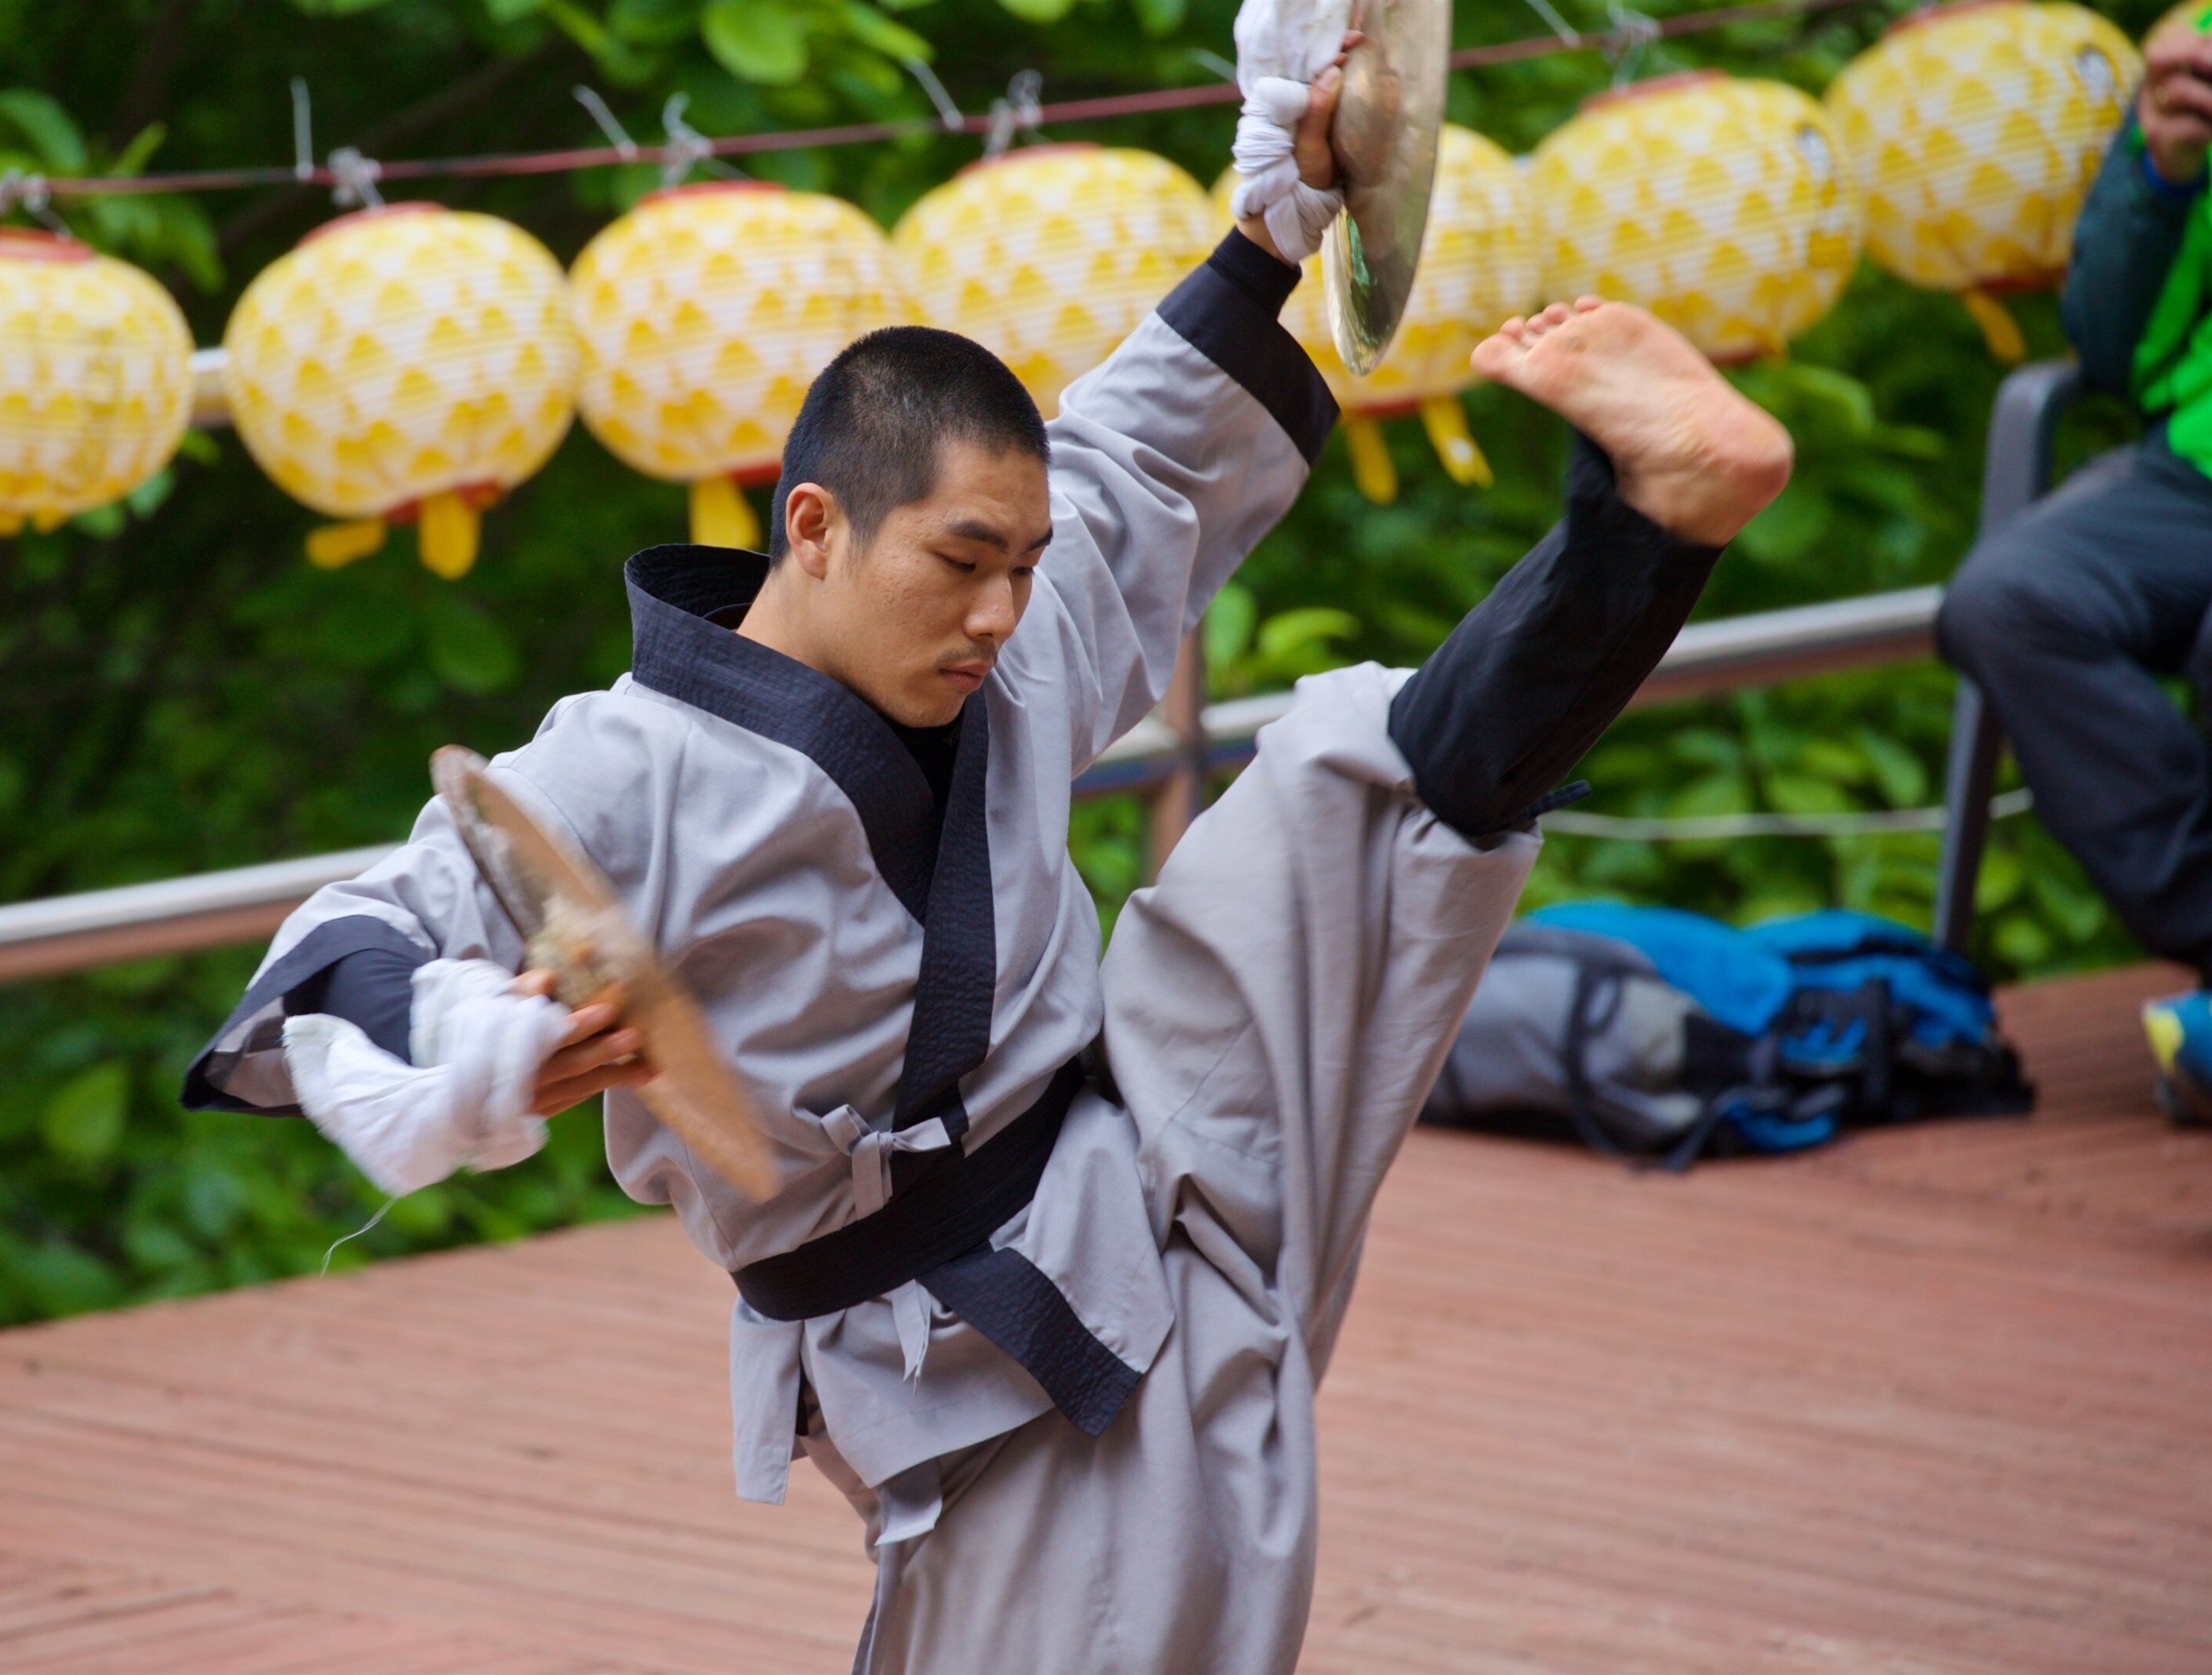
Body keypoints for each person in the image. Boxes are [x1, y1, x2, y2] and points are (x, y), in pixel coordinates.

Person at [179, 46, 1792, 1673]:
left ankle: (1650, 513)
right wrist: (466, 1048)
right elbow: (360, 938)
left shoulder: (997, 624)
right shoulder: (619, 767)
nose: (1003, 613)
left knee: (1354, 791)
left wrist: (1281, 215)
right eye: (963, 562)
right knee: (1168, 1599)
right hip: (967, 1337)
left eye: (1021, 565)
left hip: (1151, 1112)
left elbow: (1136, 454)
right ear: (812, 527)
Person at [1936, 5, 2212, 1118]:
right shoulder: (2199, 46)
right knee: (2009, 600)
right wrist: (2164, 164)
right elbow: (2106, 342)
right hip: (2191, 467)